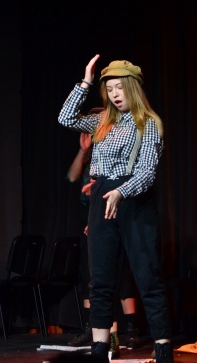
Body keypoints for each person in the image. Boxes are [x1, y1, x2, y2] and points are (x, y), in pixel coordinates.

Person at [58, 55, 173, 363]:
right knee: (101, 279)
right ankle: (99, 349)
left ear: (133, 88)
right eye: (109, 90)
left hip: (134, 200)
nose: (115, 95)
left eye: (120, 88)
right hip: (102, 199)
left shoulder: (148, 123)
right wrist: (85, 82)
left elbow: (147, 172)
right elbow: (66, 118)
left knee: (147, 275)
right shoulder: (102, 122)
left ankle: (163, 347)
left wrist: (121, 192)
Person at [66, 112, 141, 354]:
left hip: (116, 213)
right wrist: (83, 150)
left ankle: (127, 330)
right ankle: (98, 331)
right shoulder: (92, 154)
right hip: (93, 216)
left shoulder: (117, 148)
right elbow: (72, 177)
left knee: (119, 275)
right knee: (95, 275)